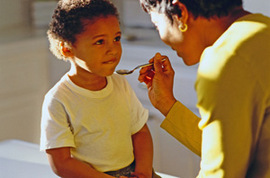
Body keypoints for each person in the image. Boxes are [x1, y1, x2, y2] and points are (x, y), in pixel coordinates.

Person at [138, 0, 270, 177]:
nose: (163, 39)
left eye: (156, 25)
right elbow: (228, 149)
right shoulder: (262, 29)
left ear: (180, 13)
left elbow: (220, 173)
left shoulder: (226, 58)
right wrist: (166, 103)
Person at [40, 0, 159, 177]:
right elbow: (61, 163)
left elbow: (140, 132)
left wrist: (143, 171)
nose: (113, 50)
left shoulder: (120, 84)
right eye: (100, 42)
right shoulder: (58, 100)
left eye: (116, 39)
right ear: (66, 48)